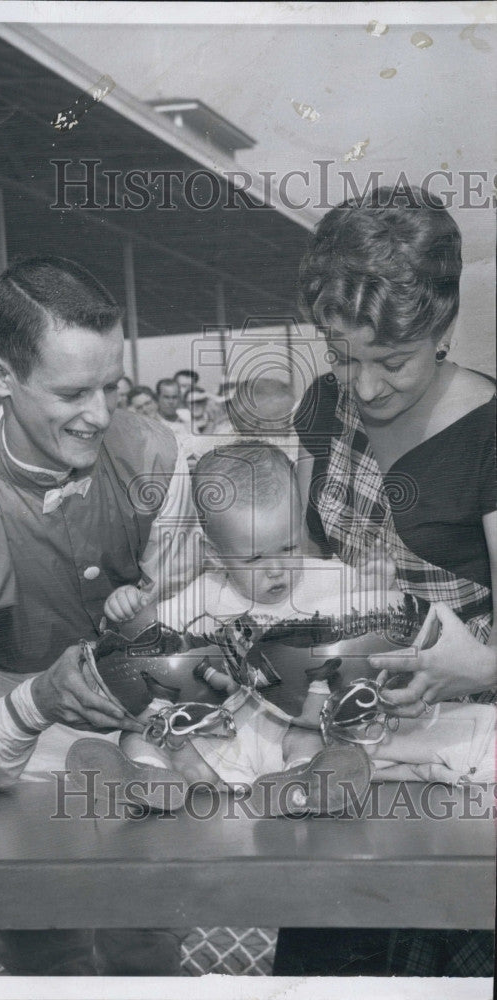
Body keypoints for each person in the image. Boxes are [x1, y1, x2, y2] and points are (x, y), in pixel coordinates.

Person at [0, 255, 197, 977]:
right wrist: (37, 702)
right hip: (9, 754)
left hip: (140, 742)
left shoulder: (158, 454)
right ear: (1, 376)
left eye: (110, 387)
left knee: (147, 950)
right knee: (44, 957)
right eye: (72, 392)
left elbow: (184, 624)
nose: (99, 415)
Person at [274, 184, 496, 977]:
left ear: (442, 324)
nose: (363, 387)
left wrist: (480, 665)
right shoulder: (325, 409)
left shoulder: (487, 436)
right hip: (344, 760)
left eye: (391, 360)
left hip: (463, 786)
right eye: (343, 356)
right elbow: (301, 570)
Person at [73, 443, 494, 812]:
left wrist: (377, 584)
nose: (278, 570)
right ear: (214, 555)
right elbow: (153, 645)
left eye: (289, 547)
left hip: (297, 726)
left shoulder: (325, 576)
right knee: (150, 732)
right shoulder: (202, 594)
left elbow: (372, 617)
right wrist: (124, 613)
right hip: (223, 732)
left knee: (313, 737)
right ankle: (141, 777)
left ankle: (307, 781)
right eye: (254, 559)